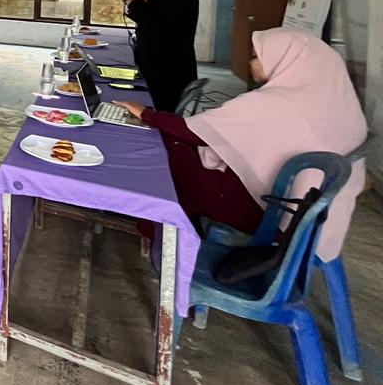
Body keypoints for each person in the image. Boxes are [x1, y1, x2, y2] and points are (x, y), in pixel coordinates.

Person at [115, 28, 368, 251]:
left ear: (285, 62)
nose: (251, 63)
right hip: (313, 215)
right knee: (183, 153)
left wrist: (146, 114)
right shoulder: (335, 102)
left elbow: (195, 132)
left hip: (271, 215)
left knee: (168, 154)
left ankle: (160, 232)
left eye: (256, 57)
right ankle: (166, 225)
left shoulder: (274, 102)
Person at [119, 0, 199, 112]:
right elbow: (156, 17)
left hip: (166, 72)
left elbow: (153, 20)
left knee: (157, 119)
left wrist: (133, 1)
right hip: (158, 68)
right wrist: (135, 2)